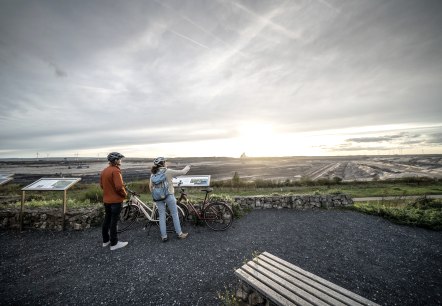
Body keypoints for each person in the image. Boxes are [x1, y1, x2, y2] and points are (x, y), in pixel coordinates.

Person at [149, 157, 190, 242]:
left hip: (158, 197)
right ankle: (179, 234)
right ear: (163, 163)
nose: (166, 163)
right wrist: (188, 166)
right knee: (175, 214)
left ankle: (164, 236)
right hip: (169, 196)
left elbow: (150, 186)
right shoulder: (168, 171)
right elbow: (182, 172)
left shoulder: (153, 173)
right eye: (165, 162)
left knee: (161, 216)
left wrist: (156, 195)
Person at [100, 152, 128, 251]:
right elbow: (119, 187)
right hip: (116, 201)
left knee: (107, 220)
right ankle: (114, 243)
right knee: (114, 222)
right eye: (120, 159)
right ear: (116, 160)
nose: (121, 160)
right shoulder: (116, 171)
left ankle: (105, 241)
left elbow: (102, 186)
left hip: (106, 200)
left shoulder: (104, 171)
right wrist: (125, 195)